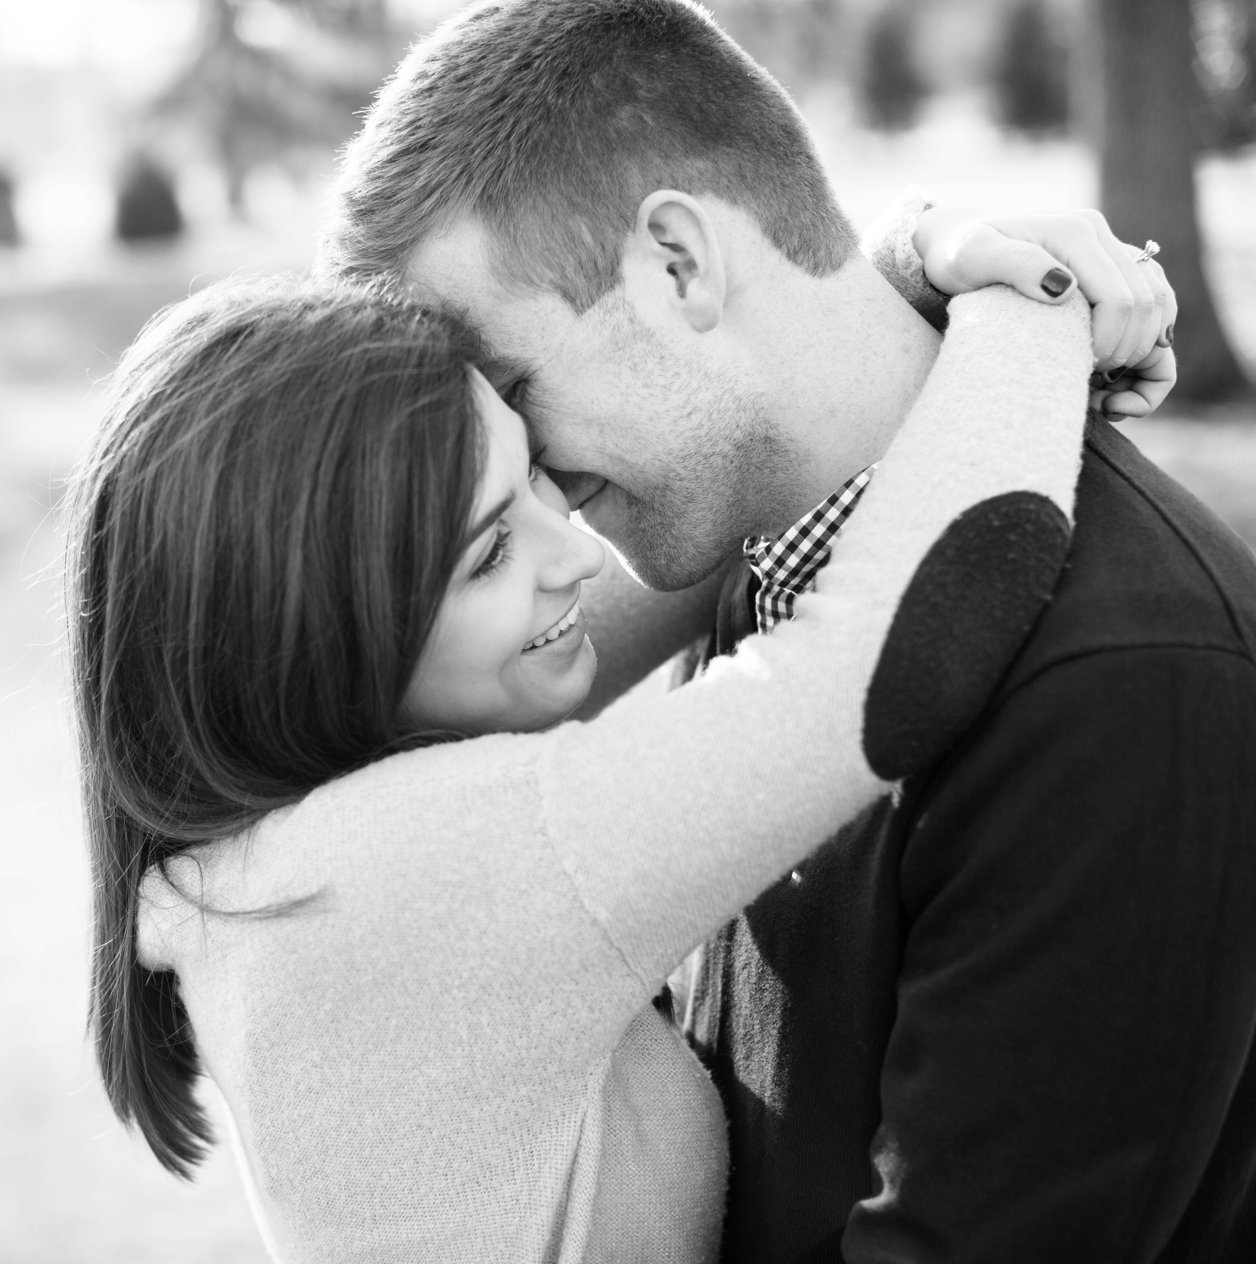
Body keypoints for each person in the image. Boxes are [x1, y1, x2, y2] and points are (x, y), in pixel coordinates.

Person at [320, 1, 1256, 1260]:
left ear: (678, 264)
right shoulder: (750, 552)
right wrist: (935, 258)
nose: (517, 484)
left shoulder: (1122, 688)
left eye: (513, 391)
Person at [74, 202, 1134, 1257]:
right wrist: (1029, 307)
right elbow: (890, 660)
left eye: (533, 471)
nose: (575, 554)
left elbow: (709, 519)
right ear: (322, 648)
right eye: (490, 553)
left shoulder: (282, 852)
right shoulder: (420, 879)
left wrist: (896, 277)